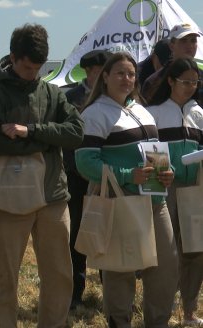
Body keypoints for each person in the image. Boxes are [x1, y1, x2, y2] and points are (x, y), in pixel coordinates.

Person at [0, 23, 84, 327]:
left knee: (59, 275)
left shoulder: (53, 93)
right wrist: (51, 140)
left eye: (38, 67)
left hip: (53, 196)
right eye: (28, 66)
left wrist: (30, 131)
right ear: (13, 57)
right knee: (3, 277)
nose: (33, 73)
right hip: (7, 199)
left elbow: (77, 133)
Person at [75, 52, 179, 327]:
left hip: (157, 201)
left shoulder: (141, 109)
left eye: (131, 74)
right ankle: (119, 322)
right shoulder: (95, 113)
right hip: (122, 201)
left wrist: (167, 173)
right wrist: (127, 175)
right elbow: (85, 162)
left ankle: (157, 322)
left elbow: (154, 153)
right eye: (120, 73)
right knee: (120, 269)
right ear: (105, 77)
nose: (127, 78)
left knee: (166, 267)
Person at [146, 57, 203, 326]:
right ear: (170, 80)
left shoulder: (199, 114)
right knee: (167, 253)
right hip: (166, 188)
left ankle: (190, 310)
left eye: (195, 82)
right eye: (185, 81)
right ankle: (162, 310)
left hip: (195, 189)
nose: (191, 86)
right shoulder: (155, 113)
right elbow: (150, 152)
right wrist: (159, 180)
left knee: (195, 250)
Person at [64, 49, 111, 310]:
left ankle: (110, 291)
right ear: (90, 71)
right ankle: (74, 295)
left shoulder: (113, 100)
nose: (102, 76)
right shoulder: (71, 98)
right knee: (78, 235)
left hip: (106, 177)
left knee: (107, 233)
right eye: (99, 71)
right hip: (77, 178)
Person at [142, 23, 202, 104]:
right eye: (183, 40)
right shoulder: (154, 81)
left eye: (193, 41)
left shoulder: (201, 76)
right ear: (171, 45)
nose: (190, 45)